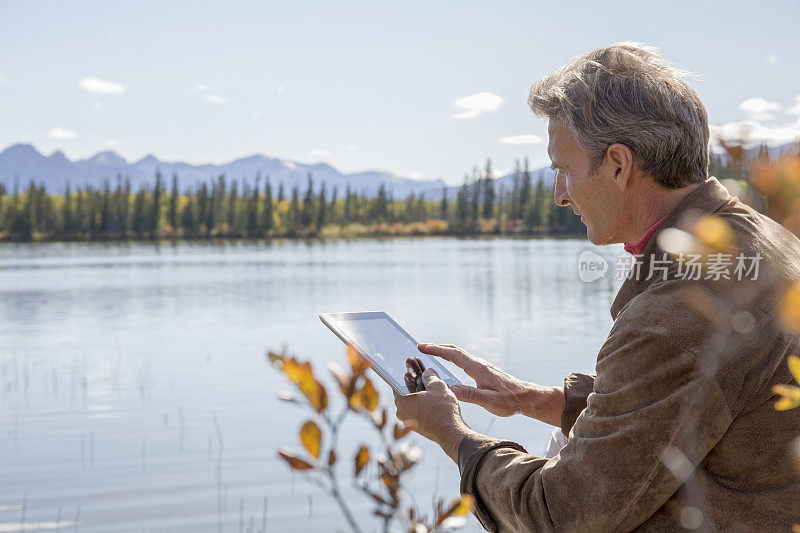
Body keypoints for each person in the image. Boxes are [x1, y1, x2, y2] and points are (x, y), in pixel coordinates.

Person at [394, 42, 800, 531]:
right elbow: (700, 406)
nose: (562, 196)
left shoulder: (681, 306)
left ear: (618, 165)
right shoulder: (764, 240)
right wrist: (542, 401)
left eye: (564, 170)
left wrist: (452, 434)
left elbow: (560, 514)